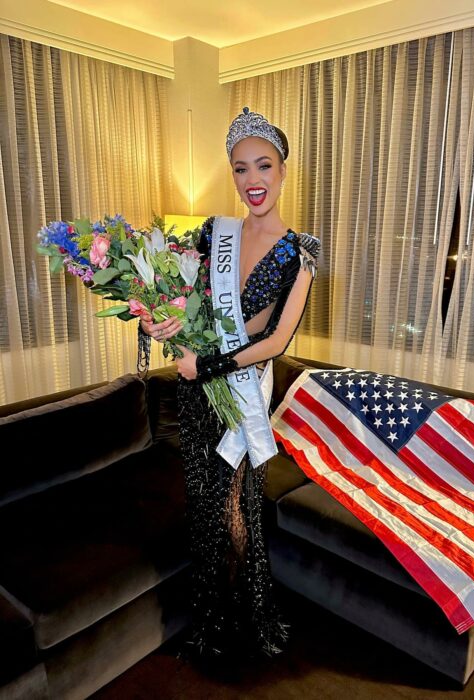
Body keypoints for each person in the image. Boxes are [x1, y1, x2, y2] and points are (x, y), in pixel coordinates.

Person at [139, 106, 320, 663]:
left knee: (234, 503)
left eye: (263, 165)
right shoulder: (212, 233)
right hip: (197, 398)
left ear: (284, 170)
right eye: (240, 169)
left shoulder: (301, 251)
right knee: (204, 504)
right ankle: (213, 615)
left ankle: (245, 615)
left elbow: (276, 342)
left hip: (238, 395)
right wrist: (159, 320)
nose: (253, 181)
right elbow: (186, 304)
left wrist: (208, 366)